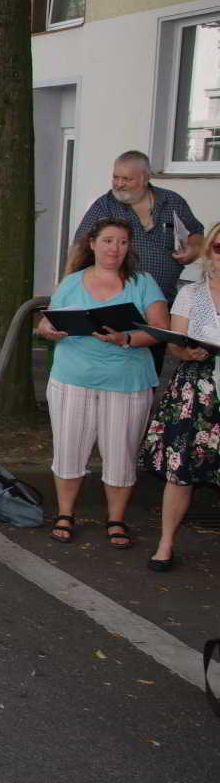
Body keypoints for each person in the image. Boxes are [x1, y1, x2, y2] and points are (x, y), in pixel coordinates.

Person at [36, 218, 170, 550]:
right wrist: (49, 330)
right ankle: (65, 514)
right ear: (93, 244)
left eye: (122, 242)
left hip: (127, 381)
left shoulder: (143, 282)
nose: (115, 248)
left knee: (121, 454)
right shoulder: (72, 281)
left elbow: (160, 329)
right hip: (72, 377)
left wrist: (126, 338)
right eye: (108, 241)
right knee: (68, 449)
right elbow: (46, 322)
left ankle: (116, 519)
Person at [74, 150, 203, 378]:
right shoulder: (105, 206)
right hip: (119, 303)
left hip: (161, 301)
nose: (119, 184)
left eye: (127, 178)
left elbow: (196, 233)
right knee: (115, 362)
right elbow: (80, 246)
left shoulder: (172, 201)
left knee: (151, 367)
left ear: (145, 177)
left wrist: (192, 249)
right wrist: (71, 286)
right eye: (116, 177)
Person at [141, 221, 220, 573]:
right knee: (180, 470)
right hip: (194, 389)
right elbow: (175, 344)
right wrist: (189, 352)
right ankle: (165, 543)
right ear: (209, 251)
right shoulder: (191, 294)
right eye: (219, 247)